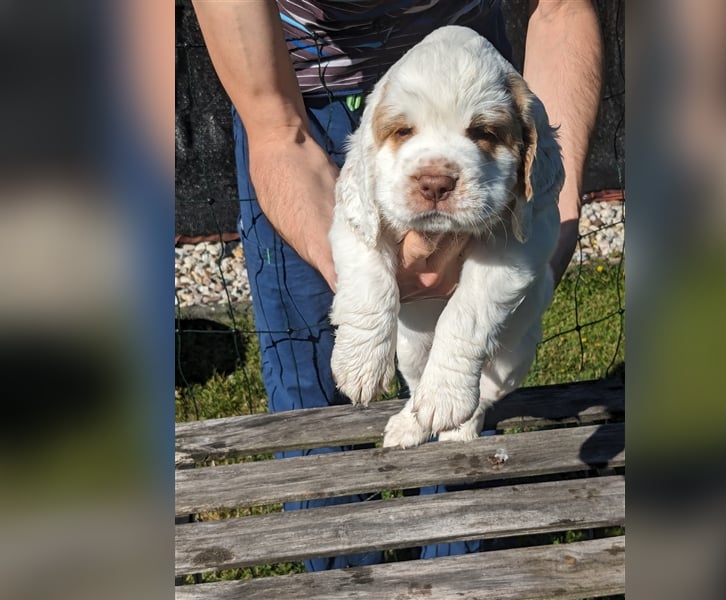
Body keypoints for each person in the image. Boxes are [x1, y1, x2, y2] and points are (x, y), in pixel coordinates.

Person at [191, 0, 602, 570]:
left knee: (465, 416)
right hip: (301, 93)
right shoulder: (366, 151)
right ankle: (335, 579)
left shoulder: (512, 115)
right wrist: (368, 300)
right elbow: (281, 136)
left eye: (481, 136)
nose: (435, 175)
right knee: (316, 412)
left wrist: (554, 215)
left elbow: (561, 11)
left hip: (474, 69)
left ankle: (461, 575)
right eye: (409, 135)